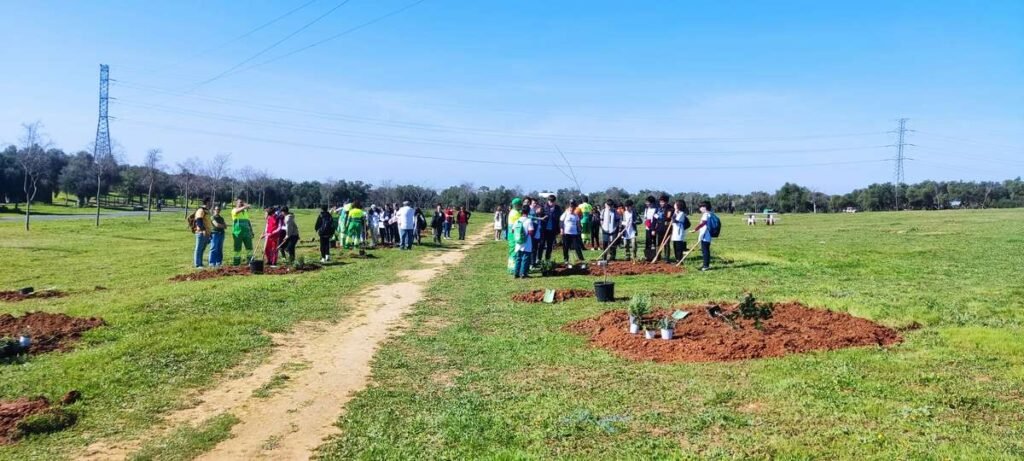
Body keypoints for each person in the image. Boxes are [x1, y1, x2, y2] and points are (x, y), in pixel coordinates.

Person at [512, 204, 535, 278]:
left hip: (518, 242)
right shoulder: (528, 220)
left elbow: (513, 230)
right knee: (525, 258)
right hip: (526, 242)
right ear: (528, 212)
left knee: (518, 258)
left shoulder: (517, 220)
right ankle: (523, 274)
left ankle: (516, 273)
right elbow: (531, 232)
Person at [560, 200, 586, 265]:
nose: (571, 209)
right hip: (566, 233)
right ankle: (566, 259)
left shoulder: (575, 215)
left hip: (574, 233)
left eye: (573, 208)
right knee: (566, 247)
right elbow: (561, 222)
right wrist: (562, 230)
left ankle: (581, 259)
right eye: (570, 208)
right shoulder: (565, 214)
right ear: (569, 208)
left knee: (577, 246)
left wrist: (579, 229)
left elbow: (578, 223)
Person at [230, 199, 254, 266]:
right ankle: (236, 263)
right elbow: (237, 211)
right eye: (240, 202)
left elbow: (248, 222)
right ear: (236, 203)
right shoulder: (234, 210)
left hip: (247, 233)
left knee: (249, 247)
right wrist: (245, 206)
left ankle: (250, 262)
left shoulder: (245, 212)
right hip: (237, 233)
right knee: (237, 248)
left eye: (242, 202)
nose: (241, 203)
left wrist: (251, 231)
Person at [691, 201, 714, 271]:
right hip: (707, 235)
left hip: (705, 235)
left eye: (701, 207)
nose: (700, 209)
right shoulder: (710, 214)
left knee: (705, 251)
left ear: (705, 207)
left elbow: (703, 223)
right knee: (705, 250)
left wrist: (695, 229)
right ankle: (705, 264)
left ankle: (706, 266)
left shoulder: (706, 214)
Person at [540, 194, 562, 262]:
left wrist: (559, 229)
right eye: (550, 201)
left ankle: (547, 259)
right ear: (548, 200)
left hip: (552, 230)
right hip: (543, 229)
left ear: (555, 201)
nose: (551, 203)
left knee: (550, 245)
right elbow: (540, 216)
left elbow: (560, 218)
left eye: (553, 201)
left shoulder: (558, 208)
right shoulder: (543, 207)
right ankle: (539, 259)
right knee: (541, 244)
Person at [192, 198, 212, 269]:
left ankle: (200, 263)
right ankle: (197, 264)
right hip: (201, 233)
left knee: (202, 249)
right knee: (199, 248)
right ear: (207, 202)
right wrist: (203, 230)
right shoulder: (201, 210)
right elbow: (199, 221)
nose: (211, 203)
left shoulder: (207, 211)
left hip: (207, 233)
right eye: (210, 202)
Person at [506, 198, 523, 274]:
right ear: (516, 205)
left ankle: (511, 267)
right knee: (514, 251)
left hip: (512, 233)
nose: (521, 206)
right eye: (520, 205)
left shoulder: (513, 211)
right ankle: (513, 268)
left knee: (512, 250)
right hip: (514, 234)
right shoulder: (515, 213)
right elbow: (521, 220)